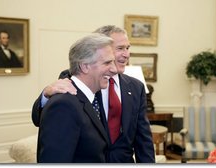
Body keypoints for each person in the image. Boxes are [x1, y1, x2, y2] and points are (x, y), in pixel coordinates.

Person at [32, 25, 155, 163]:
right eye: (120, 48)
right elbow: (50, 120)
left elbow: (143, 140)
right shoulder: (73, 80)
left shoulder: (136, 87)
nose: (126, 54)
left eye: (128, 48)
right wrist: (46, 95)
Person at [37, 33, 117, 163]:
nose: (114, 69)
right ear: (84, 66)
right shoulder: (64, 106)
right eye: (107, 63)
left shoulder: (91, 97)